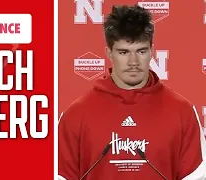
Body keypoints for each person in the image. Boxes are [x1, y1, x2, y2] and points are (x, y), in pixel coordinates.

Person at [58, 4, 206, 180]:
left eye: (141, 51)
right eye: (124, 52)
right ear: (109, 53)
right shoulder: (76, 115)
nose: (133, 61)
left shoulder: (183, 112)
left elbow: (197, 176)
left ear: (151, 51)